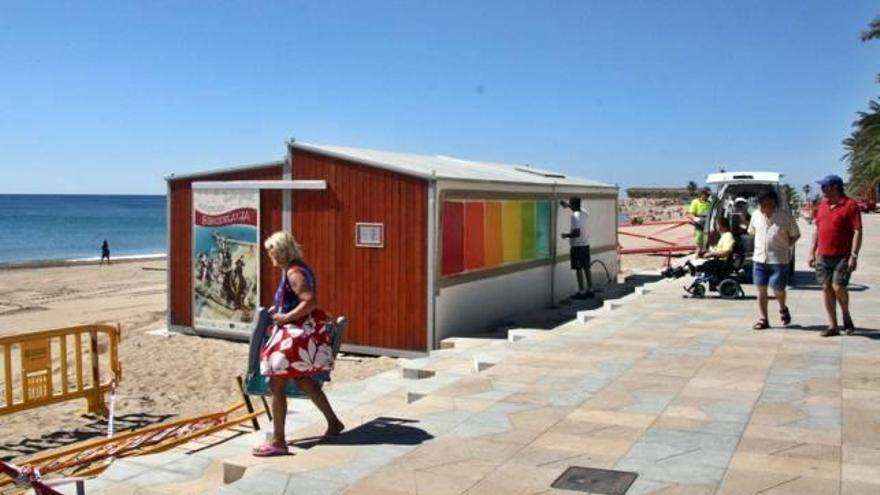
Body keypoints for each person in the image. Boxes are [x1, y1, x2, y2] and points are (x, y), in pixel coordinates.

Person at [253, 231, 344, 457]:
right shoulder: (300, 268)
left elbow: (309, 301)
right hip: (301, 335)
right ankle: (333, 422)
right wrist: (282, 309)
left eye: (271, 251)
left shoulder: (294, 273)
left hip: (294, 337)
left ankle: (278, 441)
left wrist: (285, 317)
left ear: (280, 250)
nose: (270, 256)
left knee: (276, 383)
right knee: (303, 380)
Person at [809, 175, 863, 337]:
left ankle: (846, 315)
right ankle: (833, 325)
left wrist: (854, 255)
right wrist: (812, 251)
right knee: (826, 287)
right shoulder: (822, 205)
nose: (822, 190)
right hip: (823, 256)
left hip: (842, 256)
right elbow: (817, 230)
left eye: (824, 187)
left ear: (835, 188)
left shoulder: (850, 205)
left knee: (838, 286)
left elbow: (858, 231)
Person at [748, 190, 800, 330]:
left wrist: (786, 246)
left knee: (778, 289)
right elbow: (751, 232)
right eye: (762, 203)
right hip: (759, 258)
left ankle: (783, 308)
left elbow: (795, 234)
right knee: (761, 290)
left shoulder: (785, 217)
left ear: (774, 202)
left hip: (779, 259)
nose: (765, 205)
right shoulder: (756, 215)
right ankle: (763, 319)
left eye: (768, 202)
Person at [561, 197, 593, 299]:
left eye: (570, 204)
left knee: (578, 269)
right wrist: (567, 205)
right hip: (586, 245)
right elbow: (576, 208)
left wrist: (566, 235)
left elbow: (576, 233)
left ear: (573, 205)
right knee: (587, 267)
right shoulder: (585, 212)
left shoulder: (574, 216)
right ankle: (590, 289)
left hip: (577, 247)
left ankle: (581, 291)